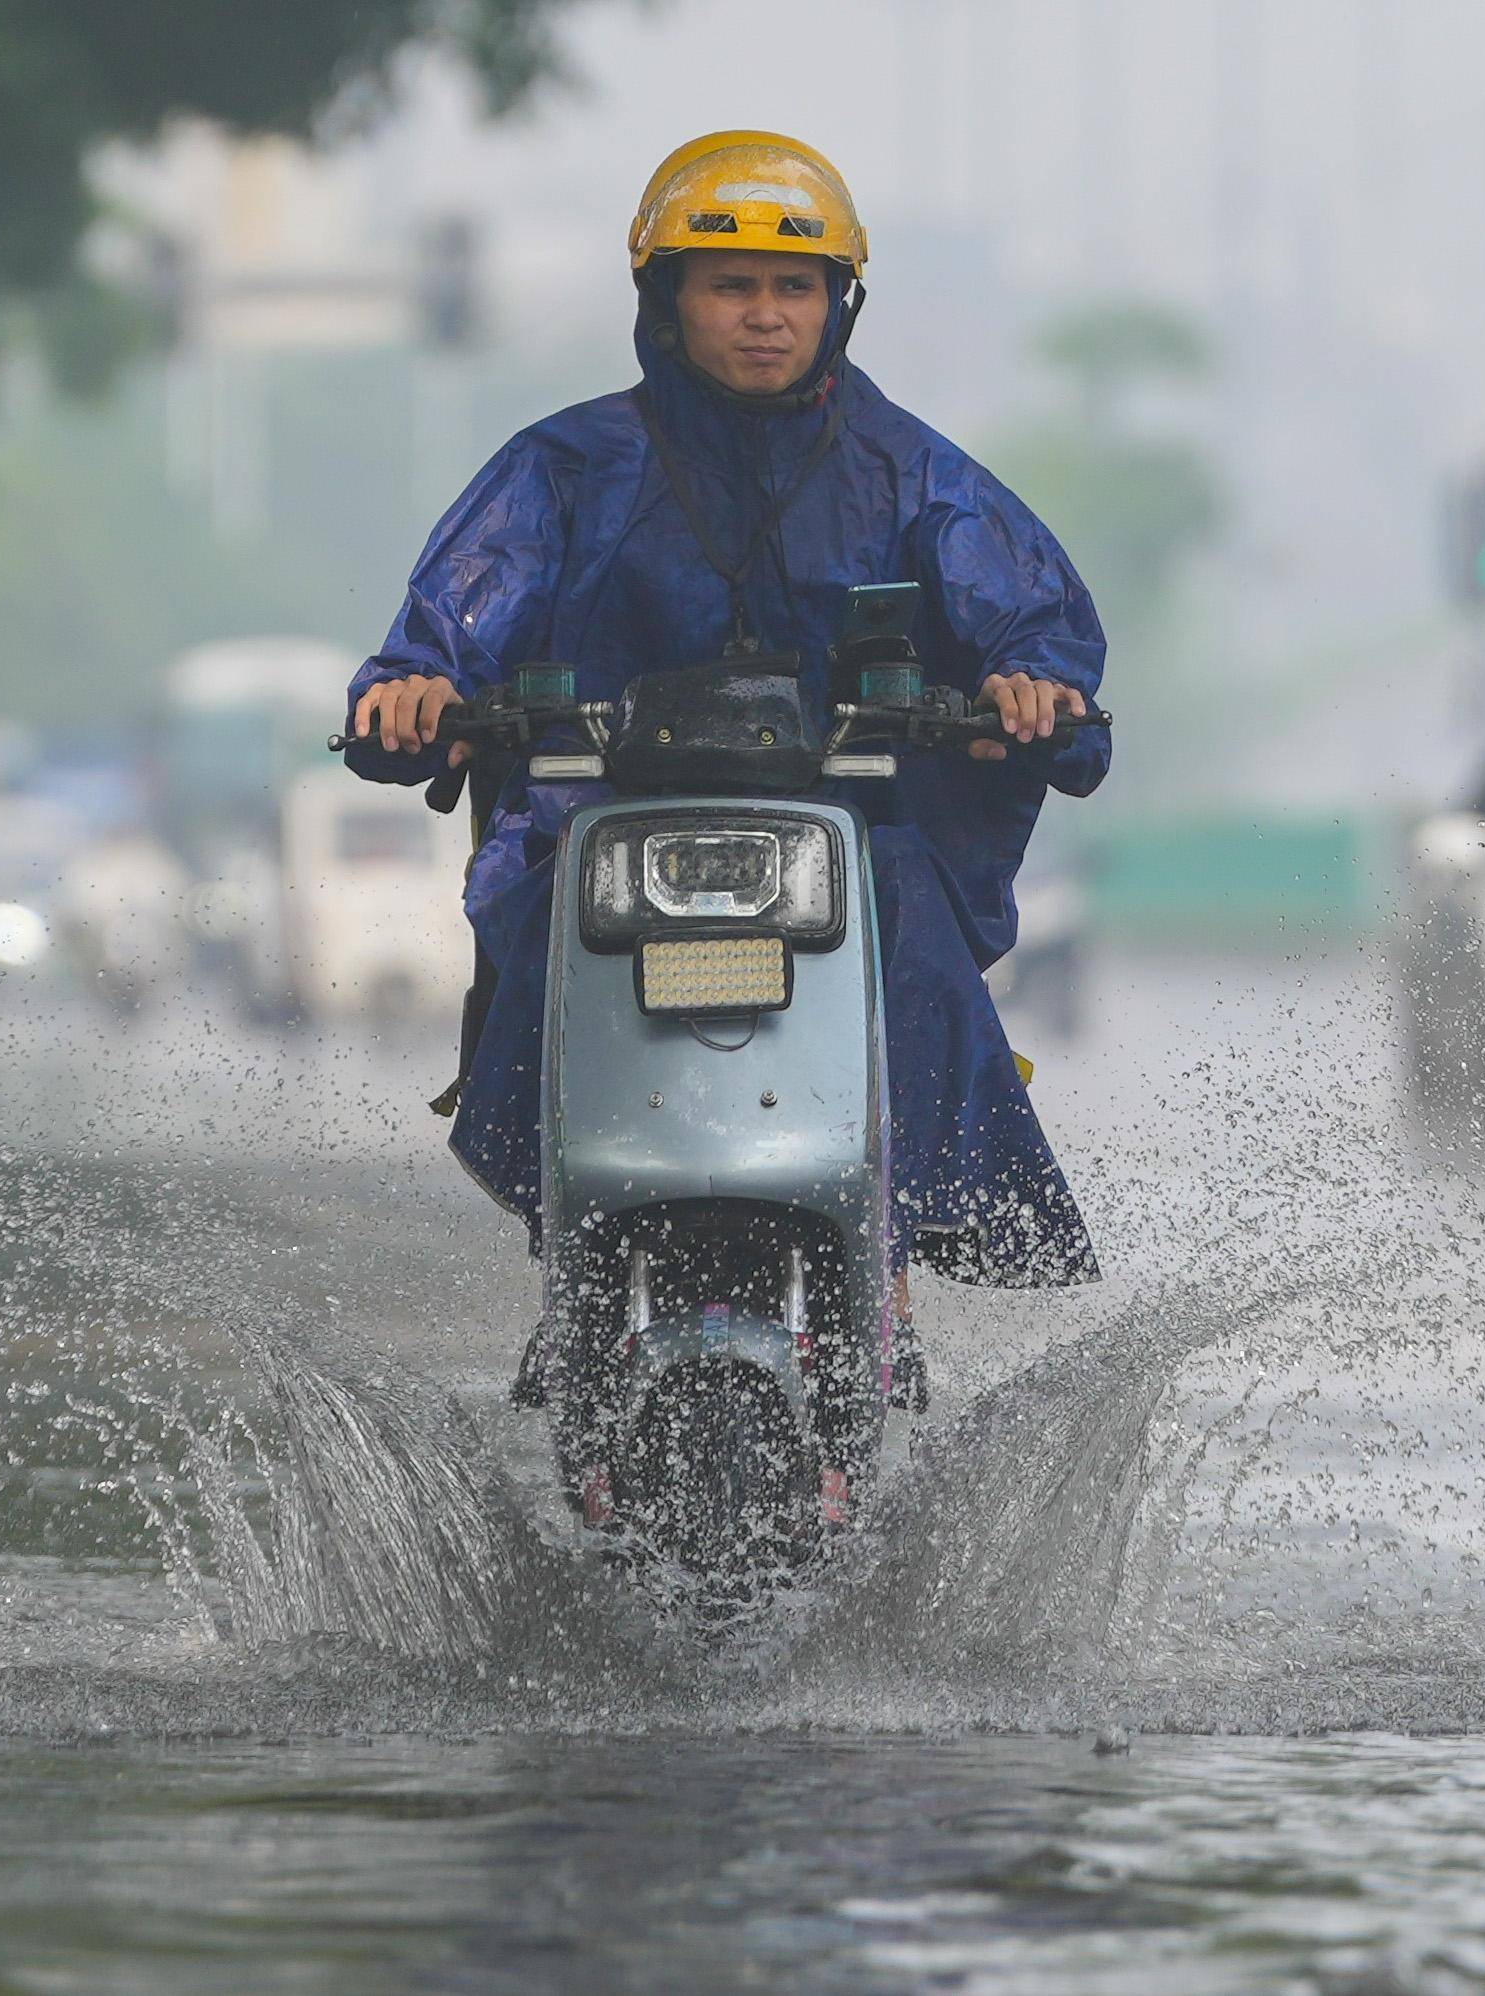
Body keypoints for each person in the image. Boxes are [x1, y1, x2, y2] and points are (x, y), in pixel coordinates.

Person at [346, 131, 1109, 1513]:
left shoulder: (913, 473)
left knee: (914, 929)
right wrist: (415, 686)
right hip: (601, 825)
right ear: (666, 302)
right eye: (730, 286)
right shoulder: (564, 467)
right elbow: (458, 613)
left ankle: (876, 1242)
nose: (765, 314)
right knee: (526, 911)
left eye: (794, 288)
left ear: (837, 307)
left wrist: (1027, 681)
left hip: (845, 835)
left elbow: (1030, 617)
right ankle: (574, 1246)